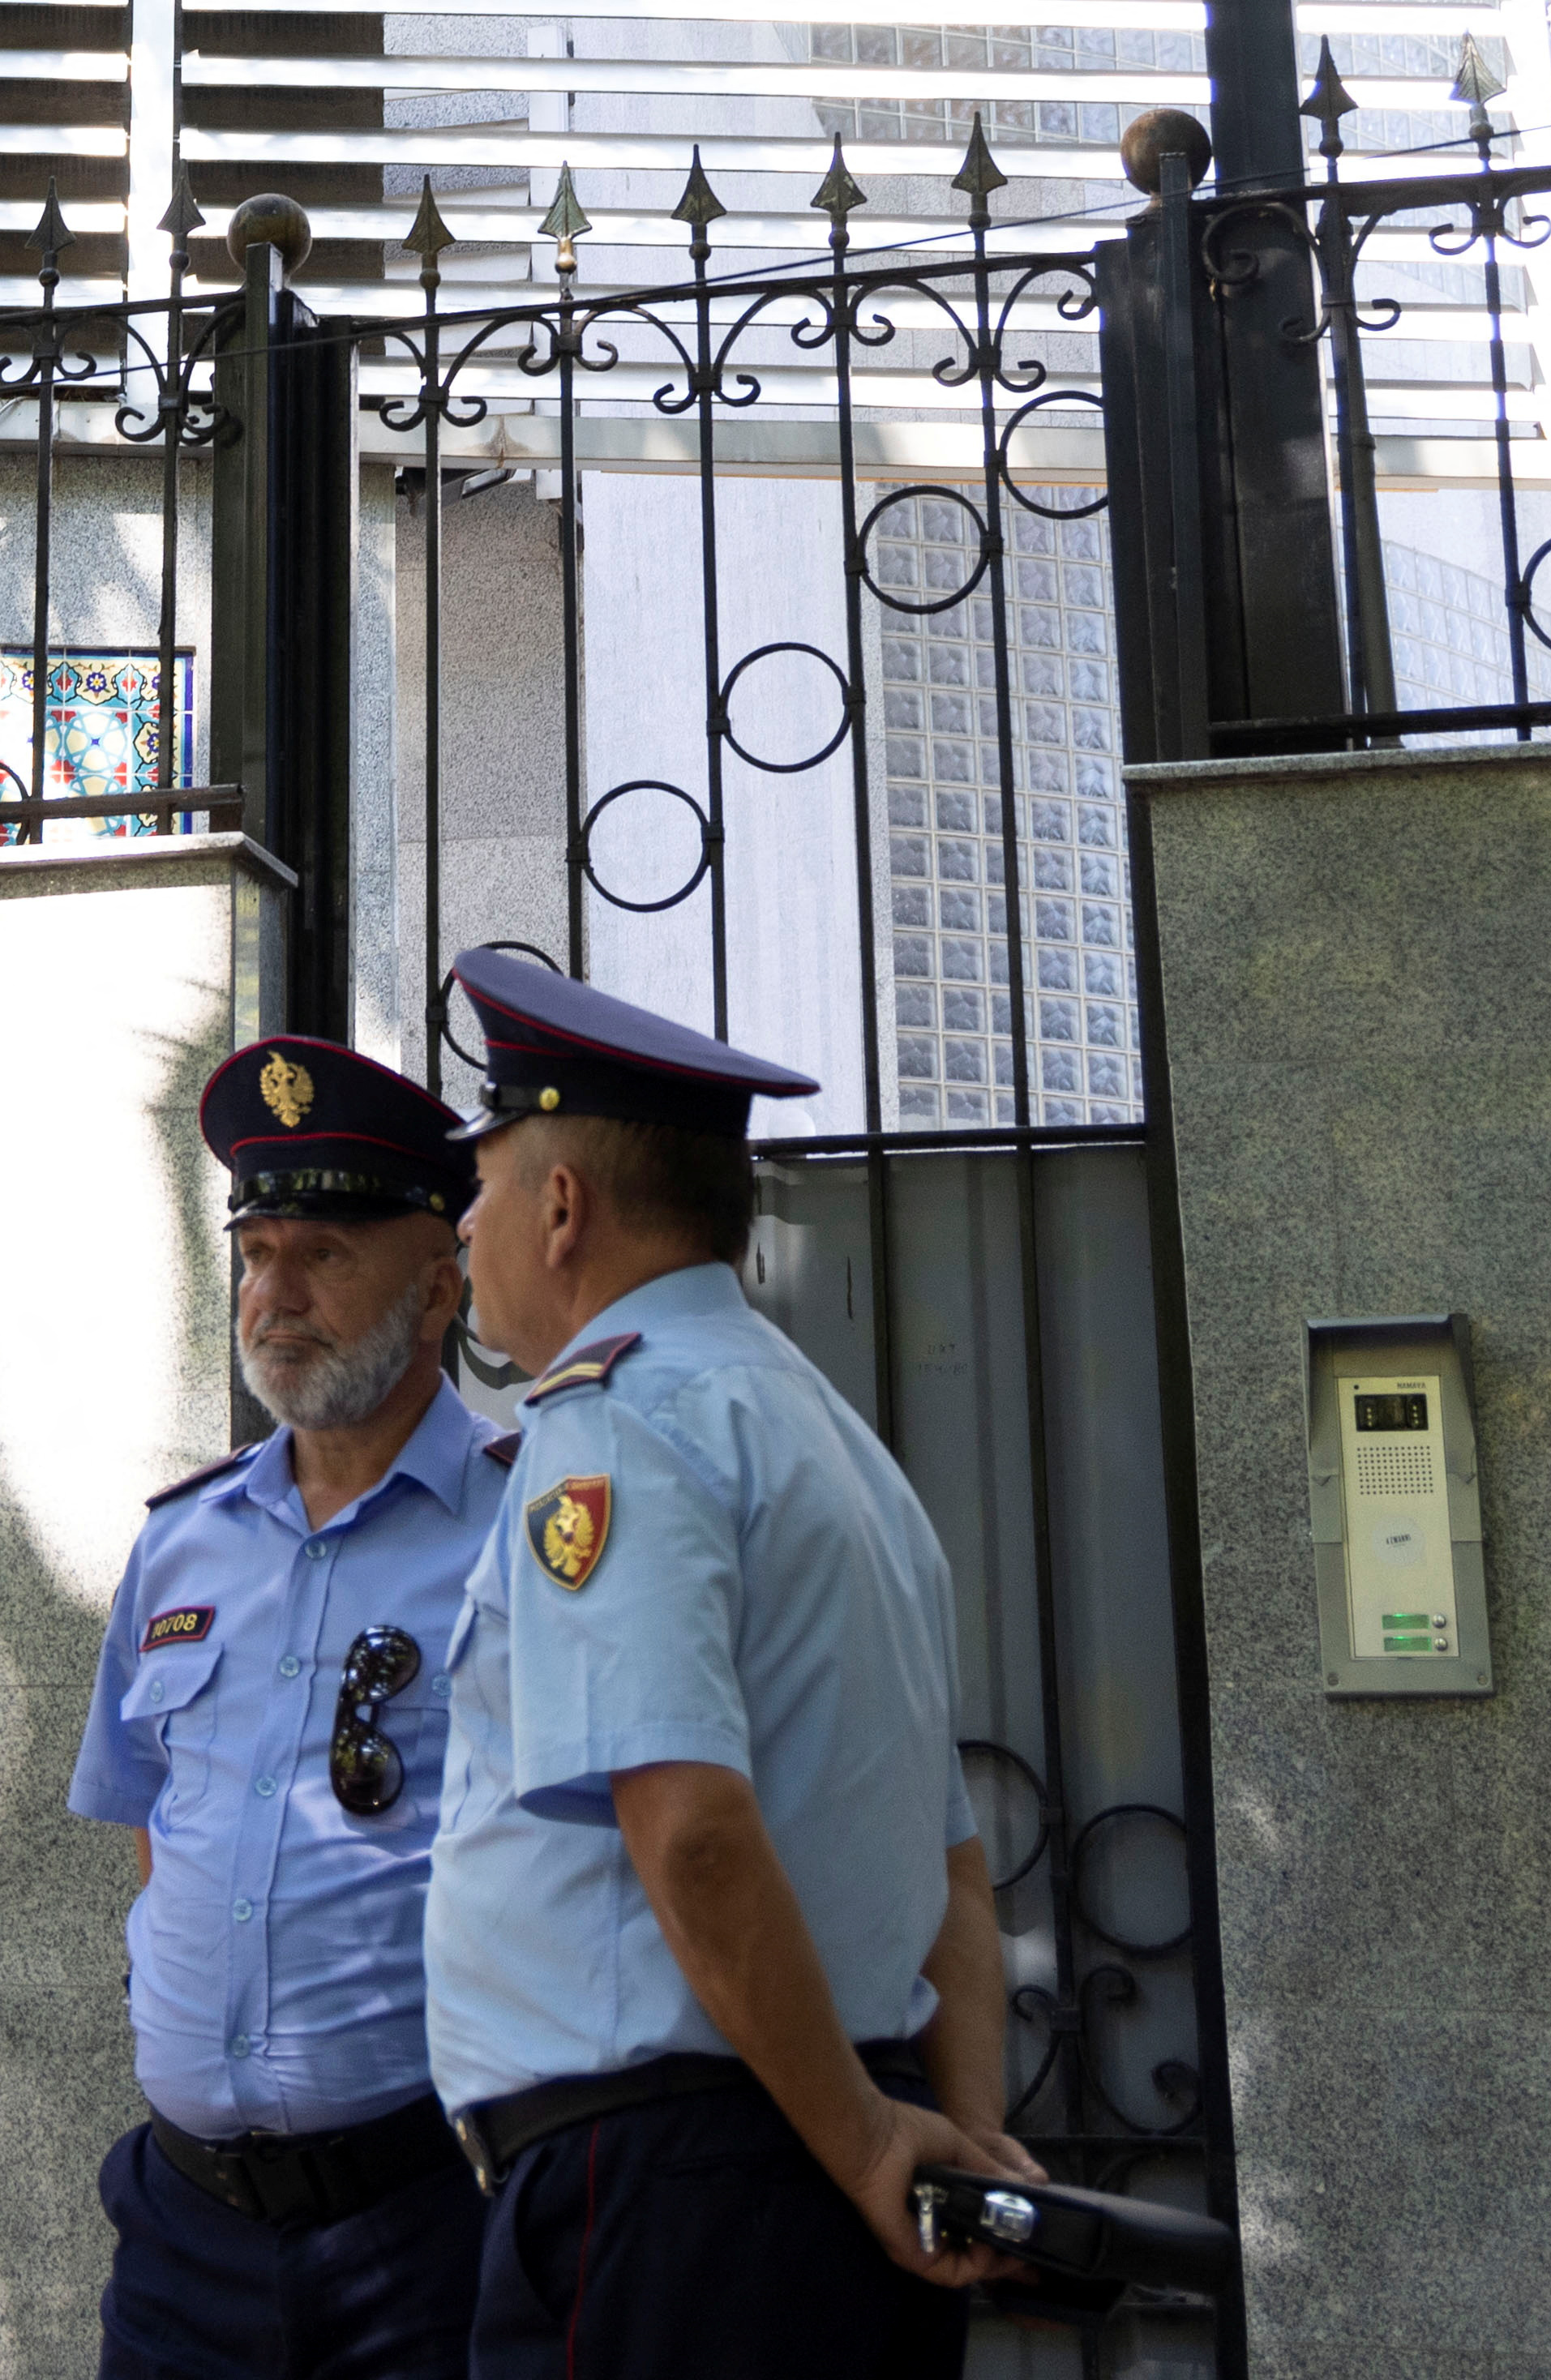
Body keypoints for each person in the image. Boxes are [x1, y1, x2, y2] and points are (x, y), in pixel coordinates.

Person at [421, 948, 1046, 2379]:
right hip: (824, 2164)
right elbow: (952, 1868)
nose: (464, 1225)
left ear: (562, 1207)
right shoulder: (838, 1443)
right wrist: (949, 2140)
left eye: (488, 1181)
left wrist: (882, 2142)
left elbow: (691, 1827)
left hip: (673, 2194)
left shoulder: (617, 1425)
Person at [64, 1034, 512, 2380]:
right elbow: (160, 1815)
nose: (277, 1292)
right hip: (185, 2231)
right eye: (258, 1253)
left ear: (438, 1286)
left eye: (325, 1252)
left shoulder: (528, 1521)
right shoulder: (180, 1544)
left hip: (430, 2223)